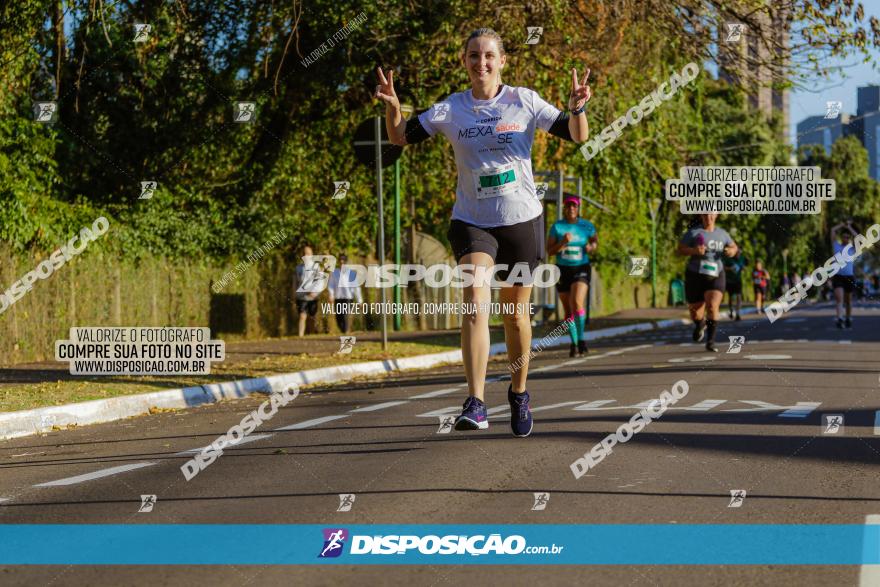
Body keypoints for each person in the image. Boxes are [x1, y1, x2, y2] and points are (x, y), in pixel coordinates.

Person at [376, 27, 591, 436]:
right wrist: (393, 105)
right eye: (474, 55)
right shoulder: (451, 109)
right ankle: (475, 402)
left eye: (489, 55)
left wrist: (577, 108)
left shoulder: (523, 100)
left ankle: (519, 392)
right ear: (465, 61)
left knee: (514, 315)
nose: (481, 63)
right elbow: (400, 136)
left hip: (522, 221)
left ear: (502, 61)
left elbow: (577, 135)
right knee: (475, 301)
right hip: (472, 220)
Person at [677, 213, 738, 352]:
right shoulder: (693, 232)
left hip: (716, 274)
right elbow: (680, 249)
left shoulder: (722, 233)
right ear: (701, 215)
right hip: (695, 274)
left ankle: (710, 341)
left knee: (712, 305)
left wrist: (731, 251)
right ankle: (700, 324)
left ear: (716, 215)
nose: (708, 217)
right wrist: (693, 250)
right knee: (696, 313)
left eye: (711, 214)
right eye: (705, 214)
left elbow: (734, 247)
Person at [547, 195, 598, 356]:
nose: (571, 209)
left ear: (578, 208)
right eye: (568, 206)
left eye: (574, 206)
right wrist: (562, 242)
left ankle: (582, 339)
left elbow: (595, 241)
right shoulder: (557, 227)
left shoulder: (586, 226)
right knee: (568, 310)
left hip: (581, 268)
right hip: (562, 269)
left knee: (576, 302)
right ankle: (574, 343)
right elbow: (549, 251)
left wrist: (591, 246)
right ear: (564, 208)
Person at [830, 221, 858, 328]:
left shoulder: (852, 249)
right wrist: (841, 225)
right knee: (839, 299)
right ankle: (840, 318)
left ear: (849, 238)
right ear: (841, 238)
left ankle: (848, 318)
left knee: (848, 301)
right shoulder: (836, 246)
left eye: (847, 237)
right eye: (844, 237)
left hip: (849, 277)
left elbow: (857, 236)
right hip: (838, 276)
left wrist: (849, 226)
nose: (845, 239)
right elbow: (832, 230)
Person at [328, 254, 363, 334]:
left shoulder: (351, 274)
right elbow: (331, 285)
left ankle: (346, 331)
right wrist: (331, 295)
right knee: (338, 317)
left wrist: (359, 301)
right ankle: (344, 330)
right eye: (340, 260)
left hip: (348, 298)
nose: (341, 262)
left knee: (345, 315)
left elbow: (356, 288)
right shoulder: (334, 273)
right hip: (338, 297)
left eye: (343, 260)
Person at [293, 245, 323, 337]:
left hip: (313, 297)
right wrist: (294, 292)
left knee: (311, 317)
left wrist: (315, 292)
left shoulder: (317, 267)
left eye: (308, 254)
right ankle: (300, 335)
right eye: (304, 253)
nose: (306, 255)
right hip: (301, 296)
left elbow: (320, 282)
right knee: (302, 316)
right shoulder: (298, 268)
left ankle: (311, 335)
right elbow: (295, 282)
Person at [723, 249, 746, 321]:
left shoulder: (742, 258)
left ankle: (738, 314)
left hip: (738, 280)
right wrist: (730, 268)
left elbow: (743, 266)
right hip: (730, 281)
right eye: (737, 253)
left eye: (740, 253)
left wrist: (743, 268)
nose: (738, 254)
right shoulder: (729, 259)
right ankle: (731, 311)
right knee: (731, 297)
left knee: (739, 296)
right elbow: (723, 267)